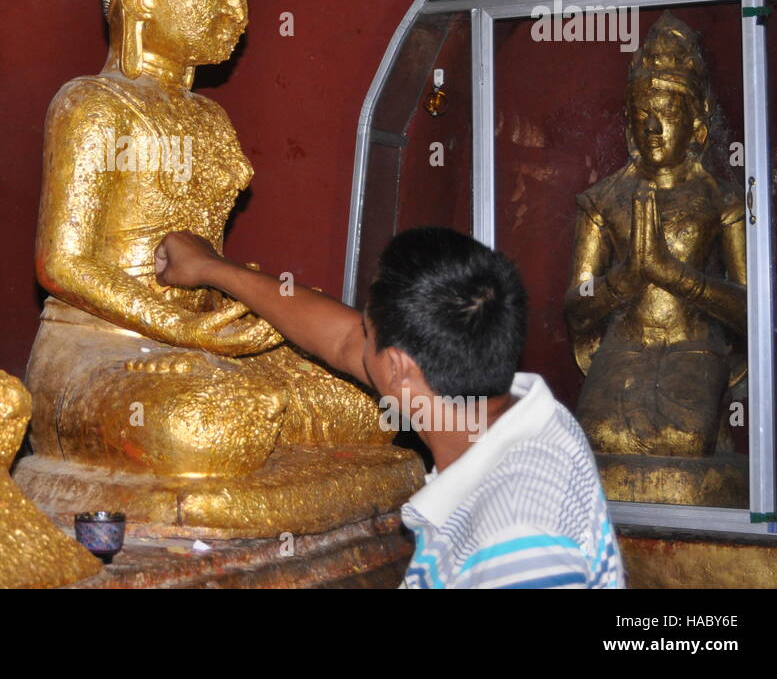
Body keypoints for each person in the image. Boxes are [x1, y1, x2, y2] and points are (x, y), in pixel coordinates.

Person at [154, 224, 625, 589]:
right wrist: (212, 267)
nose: (356, 336)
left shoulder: (514, 543)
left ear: (398, 368)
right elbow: (338, 339)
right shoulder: (526, 412)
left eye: (369, 329)